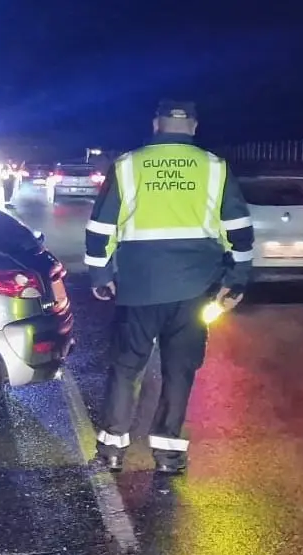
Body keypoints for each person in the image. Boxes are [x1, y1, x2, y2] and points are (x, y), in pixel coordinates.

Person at [84, 100, 255, 474]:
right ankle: (168, 453)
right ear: (193, 126)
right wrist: (236, 280)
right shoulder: (214, 168)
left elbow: (100, 229)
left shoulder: (128, 166)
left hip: (138, 286)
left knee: (126, 368)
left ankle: (112, 449)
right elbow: (239, 232)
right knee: (180, 370)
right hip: (196, 287)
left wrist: (100, 275)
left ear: (156, 124)